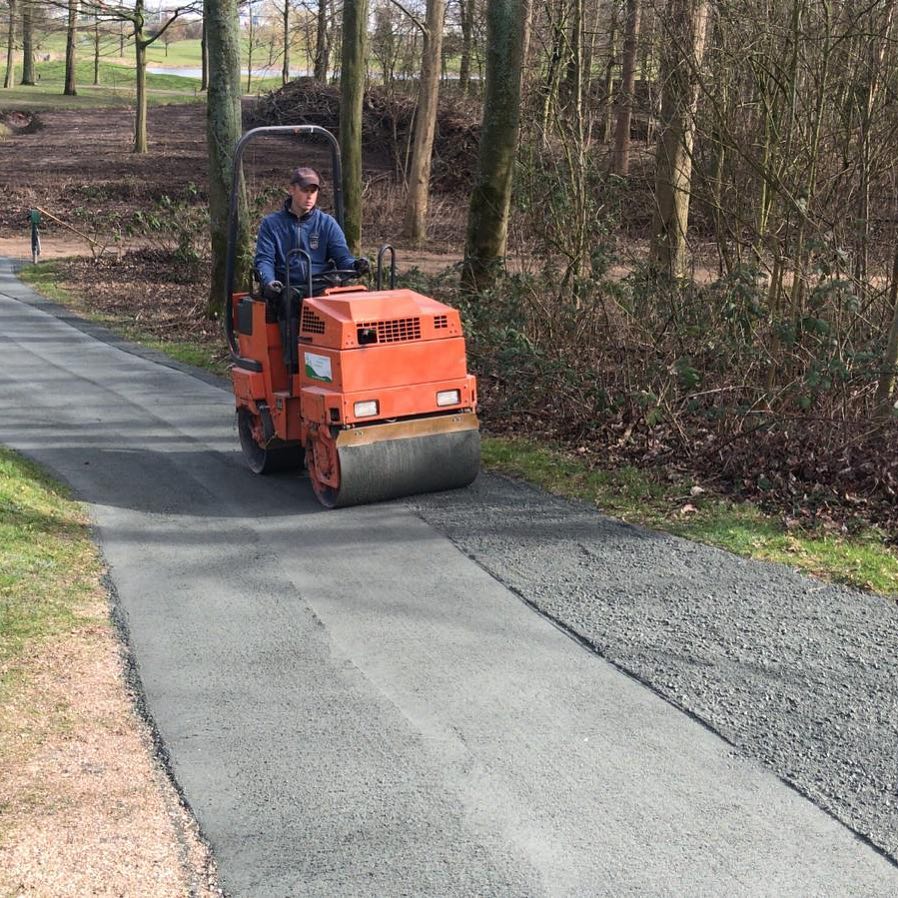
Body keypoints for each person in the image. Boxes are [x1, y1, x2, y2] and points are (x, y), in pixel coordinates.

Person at [254, 166, 369, 299]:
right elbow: (265, 260)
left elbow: (342, 257)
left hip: (320, 288)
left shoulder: (327, 223)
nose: (309, 196)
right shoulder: (271, 224)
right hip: (286, 289)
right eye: (304, 190)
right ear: (291, 190)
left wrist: (355, 265)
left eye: (313, 191)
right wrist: (269, 282)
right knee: (288, 301)